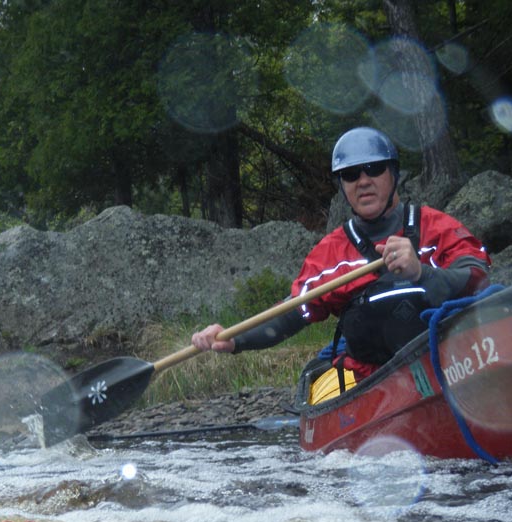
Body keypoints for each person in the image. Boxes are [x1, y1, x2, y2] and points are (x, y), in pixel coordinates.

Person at [191, 126, 490, 391]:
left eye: (374, 168)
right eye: (351, 174)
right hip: (372, 386)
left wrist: (421, 273)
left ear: (393, 174)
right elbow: (292, 314)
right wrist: (234, 340)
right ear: (342, 186)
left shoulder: (437, 228)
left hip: (449, 367)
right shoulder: (330, 254)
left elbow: (478, 279)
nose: (363, 180)